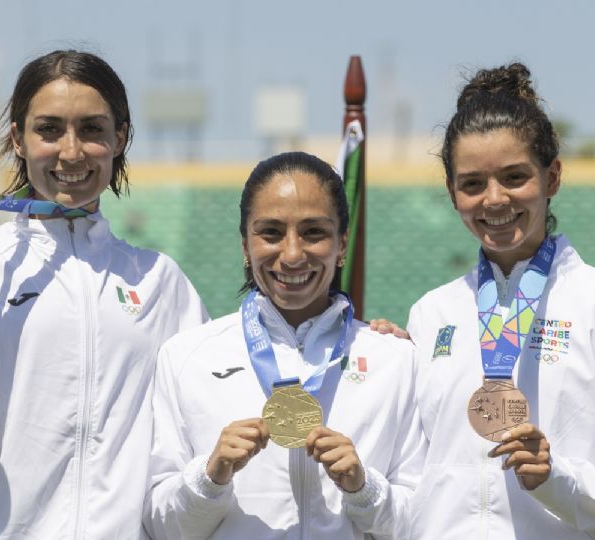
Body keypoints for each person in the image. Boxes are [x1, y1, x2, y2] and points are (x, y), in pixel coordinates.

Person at [0, 50, 207, 539]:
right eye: (49, 129)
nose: (71, 152)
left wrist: (358, 338)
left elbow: (213, 405)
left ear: (121, 138)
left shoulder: (160, 281)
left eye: (92, 129)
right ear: (18, 139)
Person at [406, 63, 595, 539]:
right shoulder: (431, 313)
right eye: (472, 183)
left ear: (552, 177)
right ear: (452, 192)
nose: (494, 200)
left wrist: (558, 480)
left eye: (514, 177)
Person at [144, 151, 423, 539]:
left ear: (342, 244)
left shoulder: (395, 360)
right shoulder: (186, 358)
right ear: (245, 245)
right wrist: (211, 477)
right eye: (271, 232)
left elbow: (424, 524)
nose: (292, 254)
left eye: (313, 232)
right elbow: (163, 527)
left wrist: (364, 489)